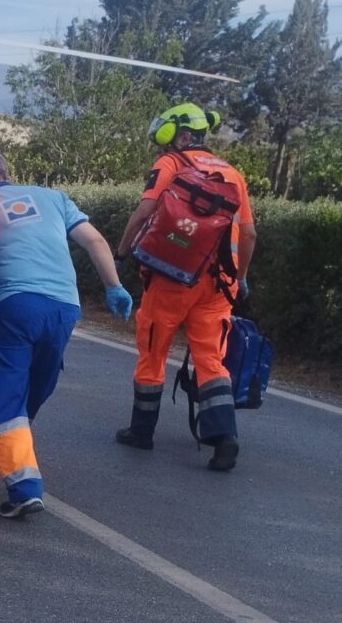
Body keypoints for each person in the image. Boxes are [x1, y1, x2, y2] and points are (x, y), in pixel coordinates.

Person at [0, 149, 133, 519]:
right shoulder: (53, 198)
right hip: (63, 305)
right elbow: (95, 241)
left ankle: (24, 486)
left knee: (8, 395)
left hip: (13, 302)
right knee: (36, 388)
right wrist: (113, 286)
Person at [113, 103, 256, 471]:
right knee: (211, 359)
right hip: (219, 285)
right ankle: (225, 439)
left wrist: (122, 251)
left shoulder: (170, 165)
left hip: (171, 278)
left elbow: (145, 212)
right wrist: (240, 279)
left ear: (180, 135)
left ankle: (141, 431)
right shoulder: (233, 174)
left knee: (153, 352)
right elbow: (250, 233)